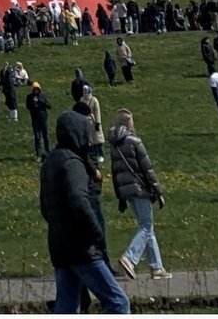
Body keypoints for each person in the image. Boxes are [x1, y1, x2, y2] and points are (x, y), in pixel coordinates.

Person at [40, 110, 128, 314]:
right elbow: (79, 201)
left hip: (59, 246)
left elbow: (45, 208)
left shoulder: (50, 161)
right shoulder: (73, 163)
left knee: (67, 307)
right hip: (81, 248)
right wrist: (96, 232)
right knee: (118, 303)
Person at [107, 109, 171, 281]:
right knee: (145, 226)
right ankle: (130, 257)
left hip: (126, 191)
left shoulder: (114, 144)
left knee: (147, 226)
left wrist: (120, 196)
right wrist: (158, 191)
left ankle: (156, 267)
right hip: (140, 188)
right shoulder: (135, 142)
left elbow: (115, 171)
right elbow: (147, 169)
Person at [26, 82, 52, 161]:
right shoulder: (29, 97)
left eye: (37, 89)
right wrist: (33, 102)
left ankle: (48, 152)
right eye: (34, 89)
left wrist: (41, 101)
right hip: (35, 119)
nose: (36, 91)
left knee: (45, 136)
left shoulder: (43, 96)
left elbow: (49, 106)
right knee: (37, 137)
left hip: (43, 118)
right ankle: (39, 154)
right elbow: (28, 106)